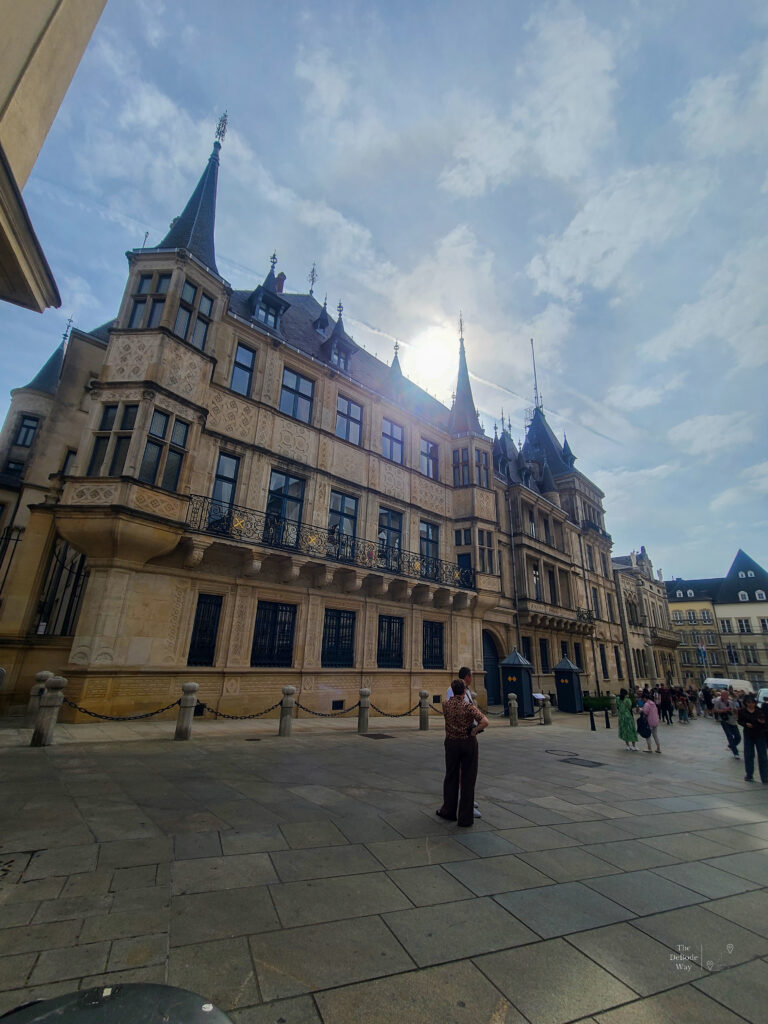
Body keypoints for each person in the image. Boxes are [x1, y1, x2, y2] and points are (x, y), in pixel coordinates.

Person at [436, 678, 489, 827]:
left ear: (452, 691)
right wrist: (474, 730)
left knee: (451, 777)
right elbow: (485, 721)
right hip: (467, 743)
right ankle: (465, 818)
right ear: (464, 691)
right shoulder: (468, 707)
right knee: (467, 779)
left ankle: (448, 810)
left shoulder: (445, 704)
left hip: (451, 743)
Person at [446, 667, 482, 817]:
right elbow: (483, 720)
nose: (472, 678)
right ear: (466, 677)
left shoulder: (465, 692)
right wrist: (474, 729)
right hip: (463, 737)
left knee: (461, 773)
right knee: (464, 773)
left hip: (459, 737)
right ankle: (464, 804)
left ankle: (465, 799)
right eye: (471, 676)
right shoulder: (455, 695)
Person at [737, 693, 768, 784]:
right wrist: (746, 724)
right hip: (749, 735)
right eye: (749, 702)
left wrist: (759, 722)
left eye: (752, 702)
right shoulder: (742, 711)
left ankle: (765, 777)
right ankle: (749, 775)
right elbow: (740, 721)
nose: (751, 704)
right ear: (746, 703)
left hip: (760, 735)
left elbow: (764, 722)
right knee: (749, 755)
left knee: (763, 756)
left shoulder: (759, 711)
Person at [713, 691, 741, 759]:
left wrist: (735, 710)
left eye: (727, 695)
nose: (726, 696)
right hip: (724, 720)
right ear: (722, 695)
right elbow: (715, 710)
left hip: (732, 720)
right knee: (730, 736)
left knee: (738, 737)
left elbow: (734, 710)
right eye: (724, 695)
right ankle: (735, 752)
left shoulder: (730, 701)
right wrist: (724, 710)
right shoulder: (718, 701)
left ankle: (731, 746)